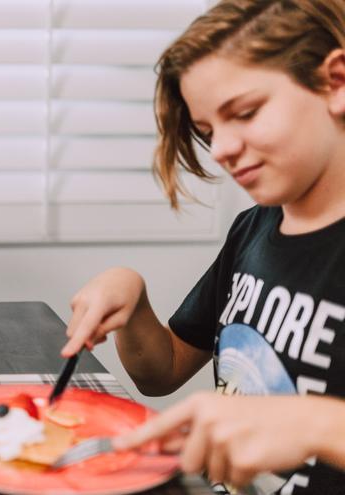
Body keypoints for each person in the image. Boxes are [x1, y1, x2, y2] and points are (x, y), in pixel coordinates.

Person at [60, 1, 345, 492]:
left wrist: (316, 425)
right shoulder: (252, 230)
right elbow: (161, 373)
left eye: (247, 112)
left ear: (336, 82)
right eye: (208, 131)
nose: (221, 150)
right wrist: (134, 298)